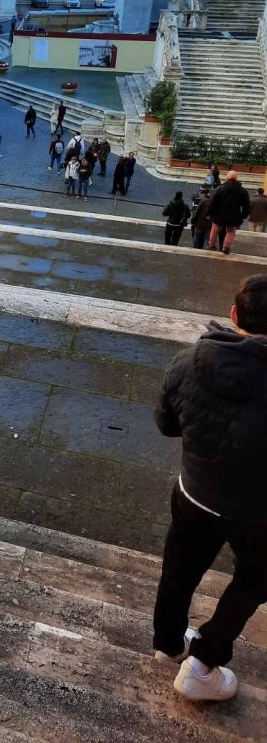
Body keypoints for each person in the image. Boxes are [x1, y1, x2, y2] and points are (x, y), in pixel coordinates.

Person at [152, 274, 267, 703]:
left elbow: (167, 424)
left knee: (179, 569)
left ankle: (168, 643)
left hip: (195, 493)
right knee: (254, 580)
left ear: (234, 314)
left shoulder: (187, 361)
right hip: (257, 512)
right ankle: (203, 663)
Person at [208, 171, 251, 255]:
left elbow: (213, 202)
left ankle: (211, 245)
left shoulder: (220, 189)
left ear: (227, 178)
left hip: (219, 214)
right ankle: (226, 247)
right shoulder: (242, 191)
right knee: (231, 231)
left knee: (215, 229)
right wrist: (243, 216)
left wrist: (210, 213)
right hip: (234, 215)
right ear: (236, 179)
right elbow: (246, 206)